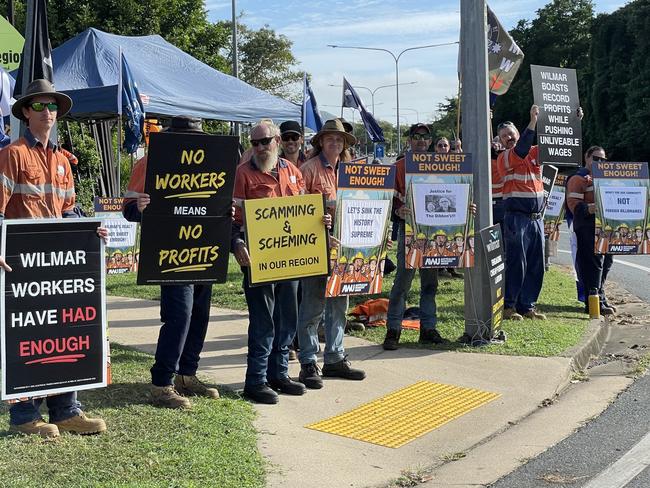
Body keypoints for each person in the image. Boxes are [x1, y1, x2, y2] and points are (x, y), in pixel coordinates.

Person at [0, 79, 107, 438]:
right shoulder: (13, 154)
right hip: (21, 266)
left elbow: (70, 211)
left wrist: (92, 233)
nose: (48, 112)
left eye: (53, 107)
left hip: (59, 266)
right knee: (25, 337)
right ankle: (25, 417)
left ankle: (66, 410)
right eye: (41, 106)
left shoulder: (63, 160)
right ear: (26, 112)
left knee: (64, 333)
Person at [123, 115, 220, 409]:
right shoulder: (150, 162)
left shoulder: (210, 164)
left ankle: (187, 375)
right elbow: (128, 208)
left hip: (203, 248)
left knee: (200, 314)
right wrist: (139, 208)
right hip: (169, 251)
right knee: (179, 315)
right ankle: (162, 382)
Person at [232, 121, 327, 404]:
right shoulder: (243, 174)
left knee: (287, 320)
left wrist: (322, 221)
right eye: (255, 143)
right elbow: (233, 220)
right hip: (258, 262)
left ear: (277, 142)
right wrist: (236, 243)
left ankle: (279, 374)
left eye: (265, 141)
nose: (260, 147)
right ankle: (256, 380)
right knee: (263, 323)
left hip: (292, 262)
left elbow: (304, 213)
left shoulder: (293, 172)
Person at [297, 119, 365, 389]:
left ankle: (335, 358)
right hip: (317, 248)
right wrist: (318, 222)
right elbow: (298, 208)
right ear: (321, 142)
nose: (335, 143)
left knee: (340, 305)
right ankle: (308, 361)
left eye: (340, 140)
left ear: (345, 144)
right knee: (312, 306)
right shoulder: (309, 169)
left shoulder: (351, 172)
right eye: (330, 139)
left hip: (346, 249)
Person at [383, 123, 446, 350]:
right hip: (408, 232)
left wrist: (467, 210)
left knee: (430, 284)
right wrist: (396, 210)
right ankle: (393, 330)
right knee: (402, 282)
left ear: (430, 141)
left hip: (434, 233)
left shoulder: (442, 165)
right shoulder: (399, 167)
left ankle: (428, 329)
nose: (421, 140)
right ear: (409, 140)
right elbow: (385, 199)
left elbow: (455, 193)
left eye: (425, 137)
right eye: (416, 136)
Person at [496, 105, 547, 321]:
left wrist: (574, 120)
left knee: (537, 264)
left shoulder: (535, 151)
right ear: (500, 140)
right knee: (517, 262)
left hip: (536, 219)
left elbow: (556, 142)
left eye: (511, 133)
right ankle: (509, 305)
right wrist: (533, 121)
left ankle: (528, 306)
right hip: (516, 217)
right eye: (504, 135)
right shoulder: (505, 157)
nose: (509, 137)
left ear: (518, 133)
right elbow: (522, 148)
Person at [565, 146, 615, 315]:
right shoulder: (578, 179)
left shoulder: (607, 178)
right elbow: (573, 206)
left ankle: (601, 296)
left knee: (606, 263)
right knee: (593, 265)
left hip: (606, 228)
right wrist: (593, 208)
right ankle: (593, 303)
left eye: (603, 160)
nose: (599, 162)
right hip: (587, 227)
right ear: (587, 158)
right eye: (596, 158)